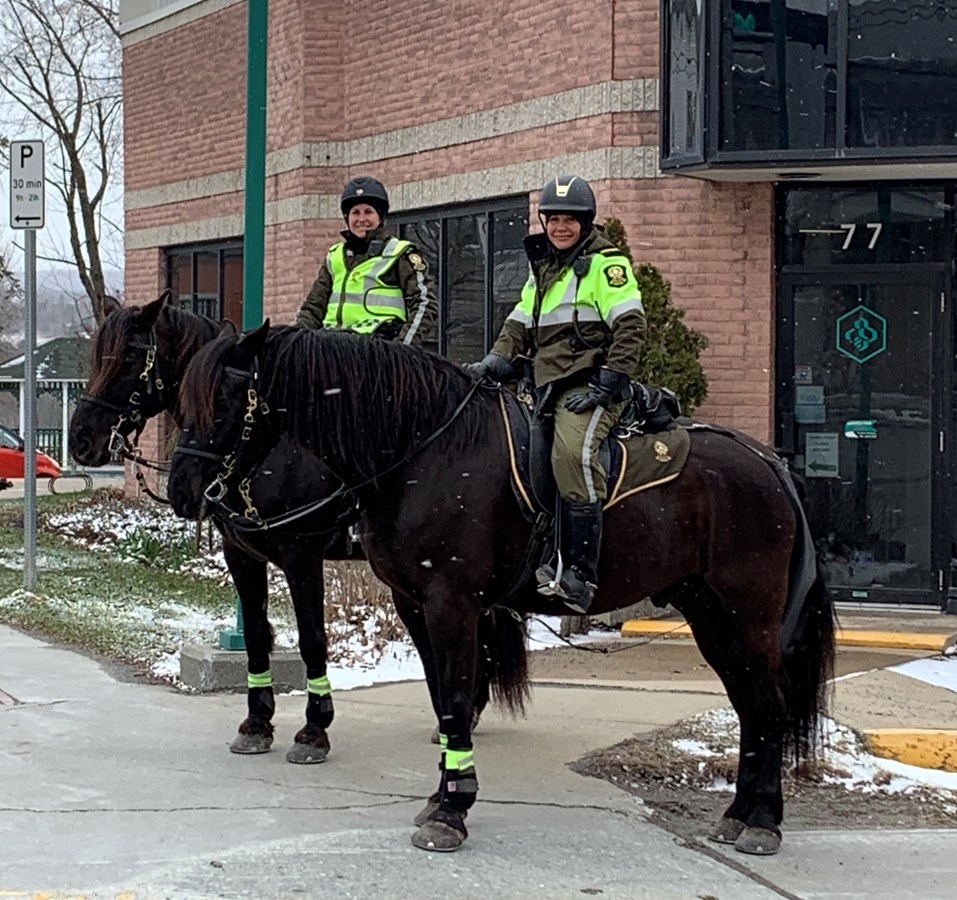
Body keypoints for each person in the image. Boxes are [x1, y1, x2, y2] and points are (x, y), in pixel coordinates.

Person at [469, 174, 646, 614]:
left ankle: (581, 573)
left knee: (573, 456)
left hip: (590, 387)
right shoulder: (544, 270)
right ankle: (548, 554)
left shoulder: (607, 265)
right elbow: (518, 324)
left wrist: (611, 380)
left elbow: (631, 326)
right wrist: (494, 359)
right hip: (548, 388)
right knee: (529, 462)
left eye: (570, 220)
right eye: (554, 219)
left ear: (585, 224)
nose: (561, 227)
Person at [296, 175, 437, 345]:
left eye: (368, 212)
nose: (361, 219)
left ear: (380, 216)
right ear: (347, 218)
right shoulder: (335, 257)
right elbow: (313, 309)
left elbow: (424, 302)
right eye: (355, 213)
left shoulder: (400, 254)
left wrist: (402, 349)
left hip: (377, 349)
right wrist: (297, 345)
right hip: (332, 348)